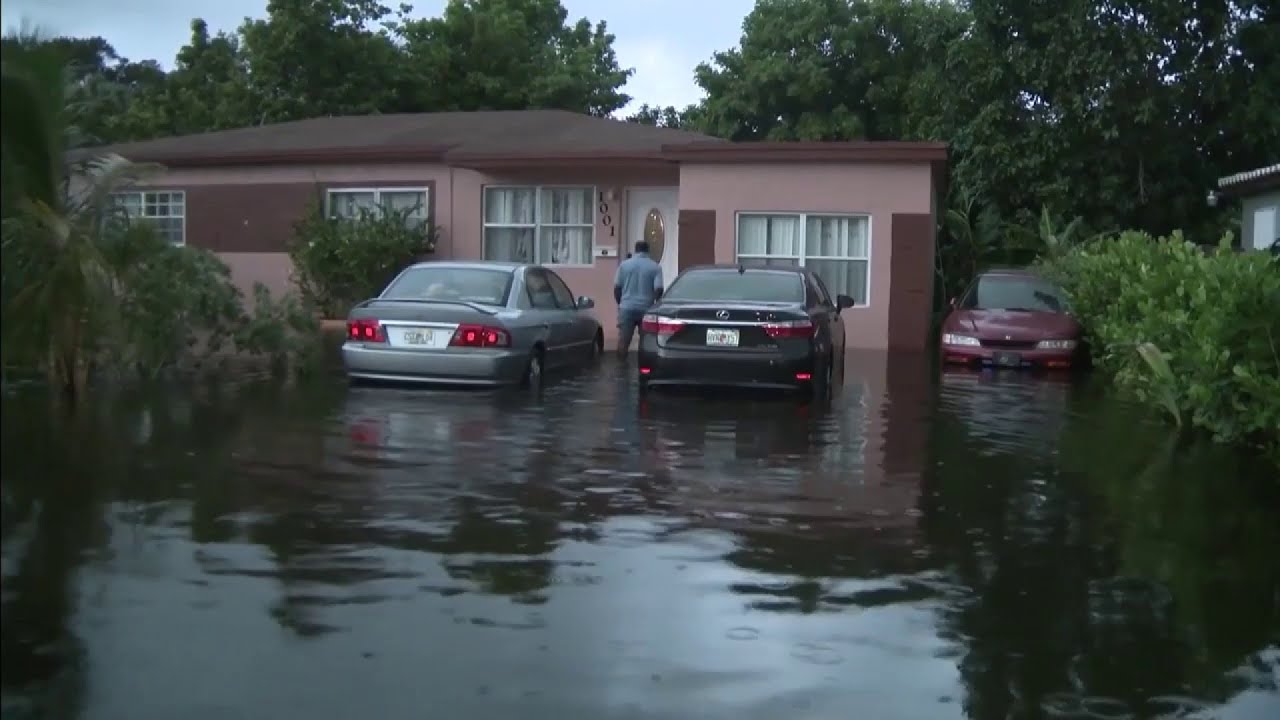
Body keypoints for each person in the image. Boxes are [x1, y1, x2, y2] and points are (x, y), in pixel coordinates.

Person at [613, 241, 664, 356]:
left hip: (626, 307)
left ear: (635, 250)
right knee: (645, 341)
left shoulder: (624, 265)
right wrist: (654, 306)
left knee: (623, 341)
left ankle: (621, 368)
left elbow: (617, 288)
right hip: (646, 308)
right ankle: (643, 366)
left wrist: (621, 303)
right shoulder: (655, 267)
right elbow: (659, 289)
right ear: (648, 250)